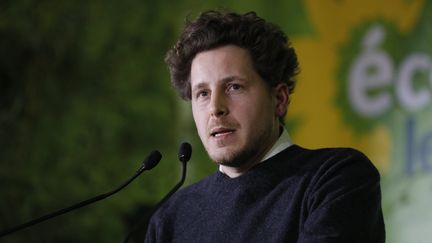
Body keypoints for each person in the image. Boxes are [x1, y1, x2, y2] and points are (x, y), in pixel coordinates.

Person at [145, 10, 385, 243]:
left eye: (234, 87)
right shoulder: (170, 220)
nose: (215, 108)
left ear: (279, 99)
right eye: (203, 93)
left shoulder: (335, 178)